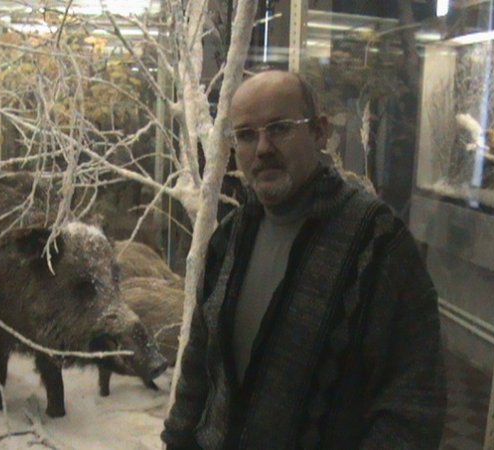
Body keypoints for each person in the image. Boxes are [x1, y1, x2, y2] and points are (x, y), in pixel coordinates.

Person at [161, 70, 446, 450]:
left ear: (319, 132)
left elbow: (414, 403)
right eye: (246, 135)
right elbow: (198, 366)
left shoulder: (377, 243)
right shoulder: (229, 239)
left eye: (279, 128)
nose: (262, 148)